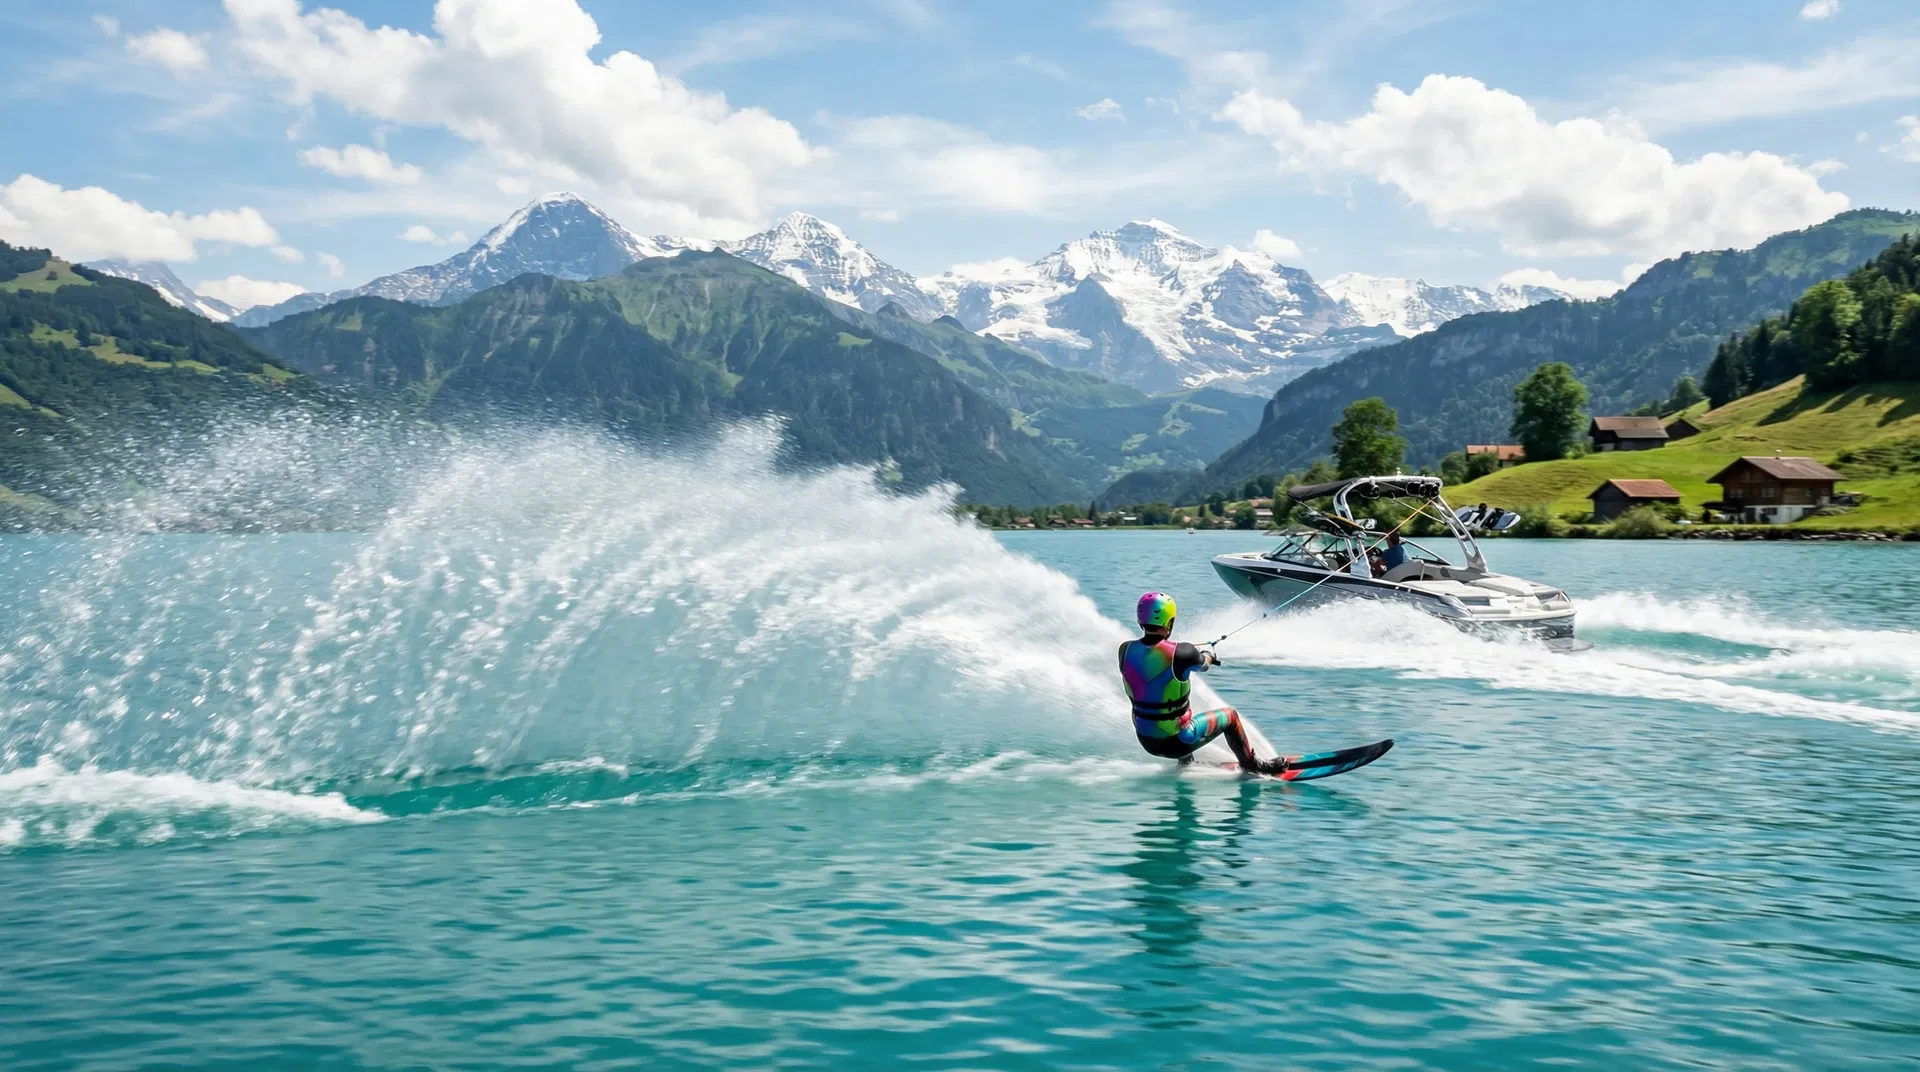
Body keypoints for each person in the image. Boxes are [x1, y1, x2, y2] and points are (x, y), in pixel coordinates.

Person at [1119, 592, 1285, 774]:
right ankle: (1251, 765)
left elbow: (1152, 666)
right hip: (1178, 742)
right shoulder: (1182, 652)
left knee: (1170, 709)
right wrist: (1208, 655)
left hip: (1147, 741)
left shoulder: (1125, 650)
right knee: (1230, 717)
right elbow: (1203, 664)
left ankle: (1186, 763)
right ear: (1170, 622)